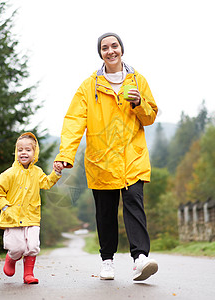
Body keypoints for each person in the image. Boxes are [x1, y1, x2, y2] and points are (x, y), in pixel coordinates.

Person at [53, 32, 158, 281]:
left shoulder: (138, 81)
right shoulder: (88, 87)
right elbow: (74, 121)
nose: (110, 51)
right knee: (105, 213)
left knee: (134, 204)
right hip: (101, 160)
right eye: (105, 48)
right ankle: (107, 260)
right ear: (100, 53)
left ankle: (140, 258)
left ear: (122, 49)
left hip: (132, 157)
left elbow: (150, 116)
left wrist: (139, 103)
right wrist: (66, 153)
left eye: (114, 46)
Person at [0, 132, 62, 284]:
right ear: (16, 153)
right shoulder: (9, 174)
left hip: (32, 216)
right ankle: (11, 259)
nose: (24, 152)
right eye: (20, 150)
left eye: (28, 150)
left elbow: (47, 183)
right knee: (16, 247)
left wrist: (56, 172)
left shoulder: (37, 172)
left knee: (32, 245)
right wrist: (5, 208)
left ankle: (28, 274)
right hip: (13, 217)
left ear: (35, 153)